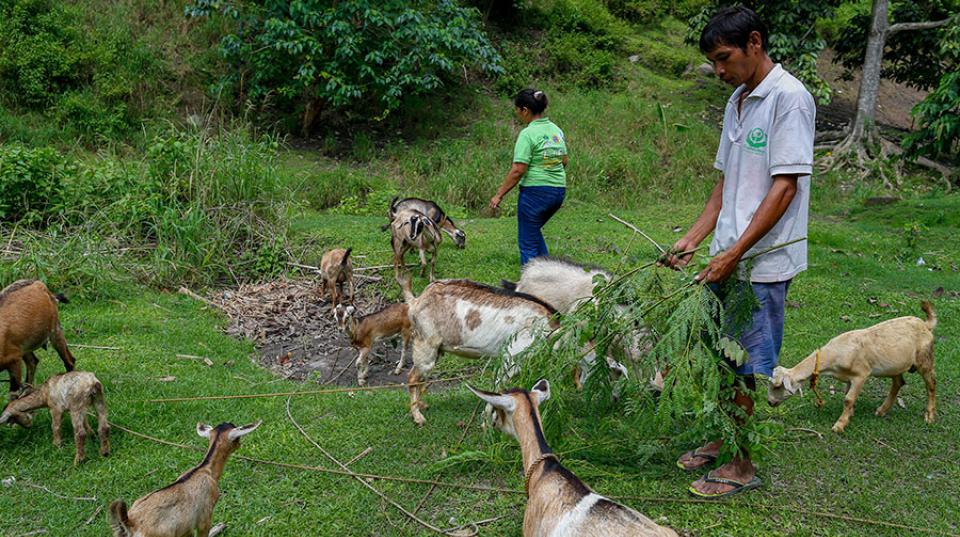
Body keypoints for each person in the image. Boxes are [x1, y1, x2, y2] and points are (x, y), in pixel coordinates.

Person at [659, 6, 815, 498]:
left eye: (724, 59)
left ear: (754, 42)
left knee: (746, 364)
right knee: (722, 357)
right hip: (727, 256)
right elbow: (725, 185)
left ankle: (743, 464)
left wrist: (736, 253)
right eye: (713, 63)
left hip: (763, 262)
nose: (720, 71)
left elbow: (784, 188)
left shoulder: (789, 99)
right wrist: (695, 239)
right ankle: (723, 437)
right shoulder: (738, 101)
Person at [490, 89, 568, 265]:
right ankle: (551, 274)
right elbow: (563, 161)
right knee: (532, 232)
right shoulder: (556, 130)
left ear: (525, 110)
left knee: (528, 244)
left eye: (517, 110)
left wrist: (499, 194)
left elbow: (518, 169)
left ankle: (530, 288)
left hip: (535, 194)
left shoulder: (528, 134)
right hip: (558, 193)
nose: (518, 115)